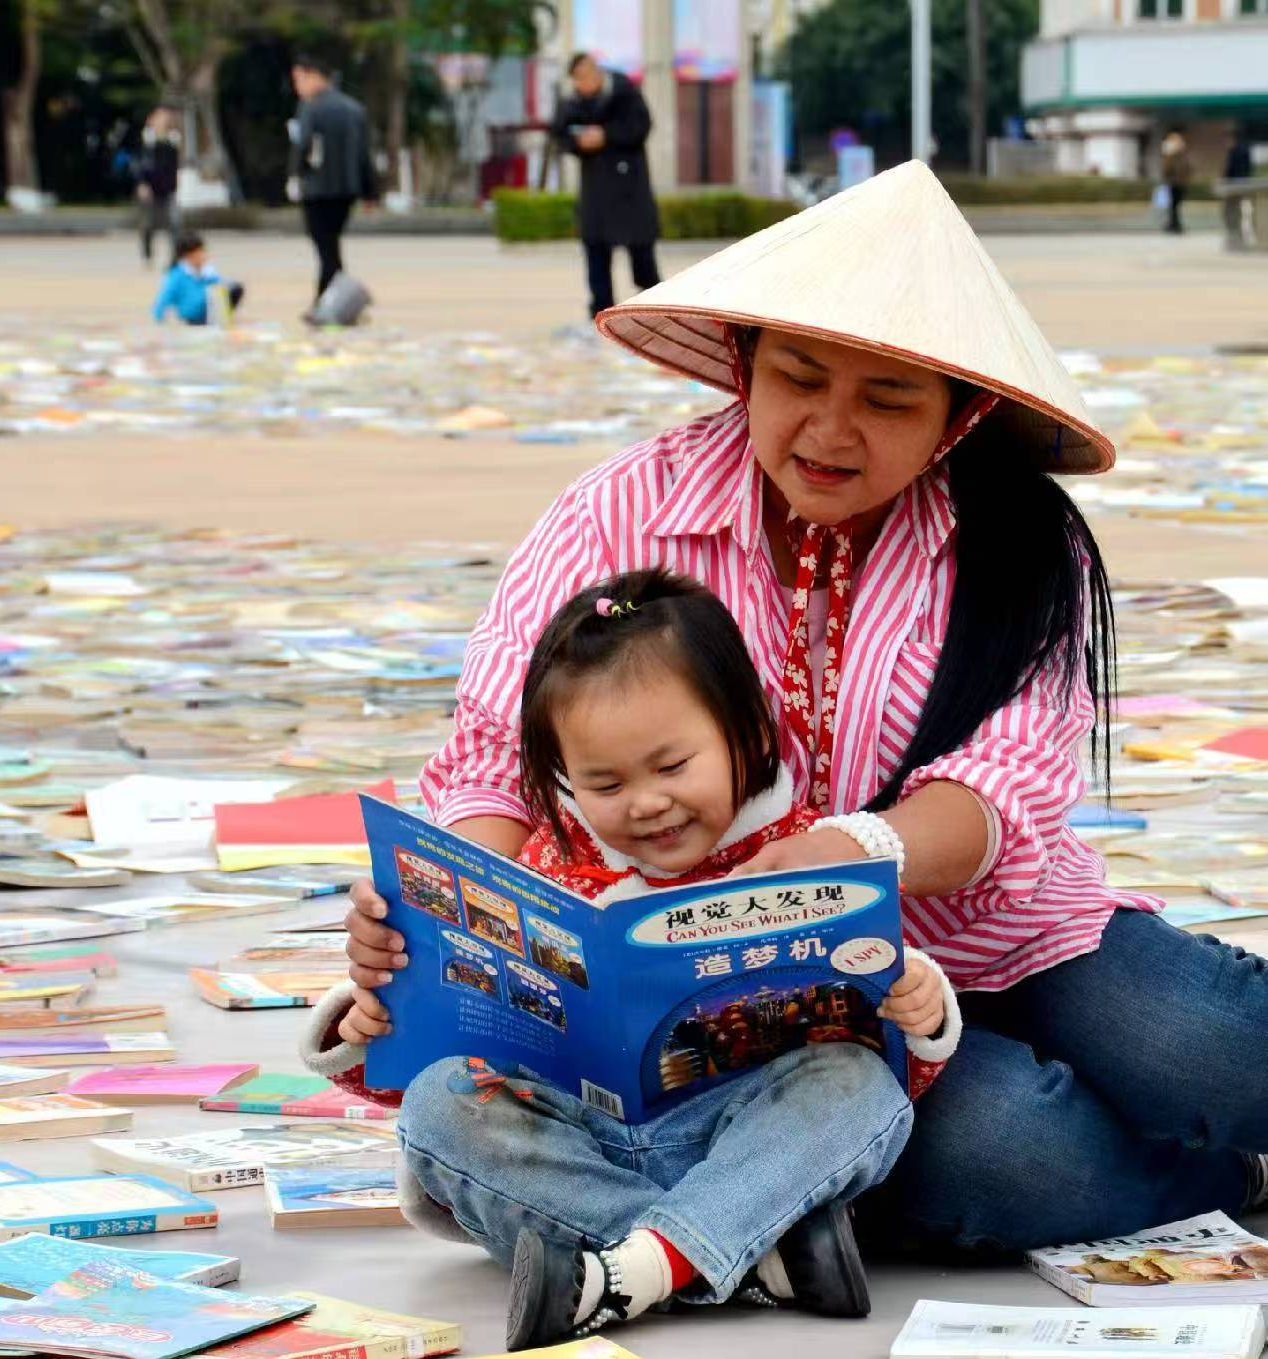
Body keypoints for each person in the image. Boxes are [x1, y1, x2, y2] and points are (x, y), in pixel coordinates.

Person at [319, 161, 1268, 1263]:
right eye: (797, 377)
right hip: (768, 1015)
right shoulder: (615, 514)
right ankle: (1267, 1151)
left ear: (960, 412)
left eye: (887, 397)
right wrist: (458, 908)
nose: (828, 428)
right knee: (986, 1164)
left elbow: (1005, 792)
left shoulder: (1016, 549)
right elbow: (494, 747)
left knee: (1212, 1044)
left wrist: (847, 856)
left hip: (999, 928)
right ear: (740, 361)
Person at [303, 568, 960, 1349]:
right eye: (605, 782)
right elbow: (438, 1059)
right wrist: (371, 1015)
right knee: (440, 1106)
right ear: (562, 779)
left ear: (745, 734)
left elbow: (882, 1051)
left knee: (857, 1085)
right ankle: (739, 1257)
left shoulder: (801, 862)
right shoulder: (542, 874)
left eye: (673, 766)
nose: (646, 802)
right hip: (581, 1144)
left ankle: (620, 1272)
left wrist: (921, 1010)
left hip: (743, 1137)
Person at [552, 53, 660, 318]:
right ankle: (601, 310)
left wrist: (606, 135)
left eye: (587, 75)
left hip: (629, 186)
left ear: (597, 71)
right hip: (596, 189)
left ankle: (655, 305)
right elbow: (559, 133)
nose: (584, 82)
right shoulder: (574, 103)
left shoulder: (625, 93)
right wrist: (578, 142)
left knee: (641, 250)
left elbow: (641, 126)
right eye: (578, 78)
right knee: (596, 249)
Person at [288, 57, 373, 307]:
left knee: (326, 249)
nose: (297, 87)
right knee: (331, 246)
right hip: (347, 189)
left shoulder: (310, 107)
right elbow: (363, 154)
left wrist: (295, 175)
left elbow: (302, 146)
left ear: (313, 75)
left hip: (317, 189)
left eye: (299, 80)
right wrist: (370, 192)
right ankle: (330, 300)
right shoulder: (354, 108)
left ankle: (333, 302)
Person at [151, 231, 243, 326]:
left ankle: (221, 319)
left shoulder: (206, 271)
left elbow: (221, 283)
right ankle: (210, 320)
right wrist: (159, 316)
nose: (203, 255)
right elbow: (165, 296)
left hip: (207, 308)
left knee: (235, 288)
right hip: (191, 314)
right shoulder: (177, 275)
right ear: (187, 255)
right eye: (199, 252)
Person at [136, 105, 182, 269]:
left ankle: (175, 259)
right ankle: (147, 255)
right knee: (148, 224)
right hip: (150, 189)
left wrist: (178, 183)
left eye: (166, 117)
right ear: (152, 119)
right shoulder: (147, 139)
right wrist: (142, 183)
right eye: (160, 117)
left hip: (169, 188)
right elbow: (141, 165)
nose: (163, 120)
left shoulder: (173, 139)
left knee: (174, 224)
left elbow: (175, 165)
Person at [1159, 130, 1192, 235]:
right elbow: (1167, 169)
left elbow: (1186, 168)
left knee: (1174, 206)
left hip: (1177, 183)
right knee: (1174, 206)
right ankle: (1174, 224)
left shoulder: (1177, 155)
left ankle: (1174, 224)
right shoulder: (1173, 155)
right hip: (1174, 183)